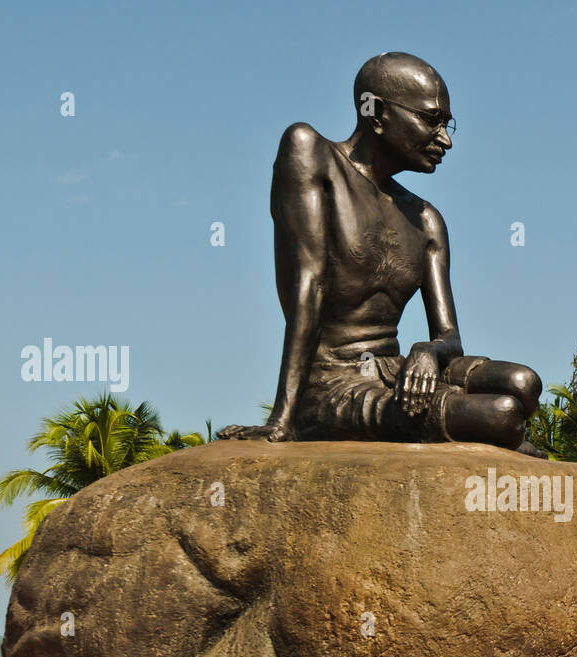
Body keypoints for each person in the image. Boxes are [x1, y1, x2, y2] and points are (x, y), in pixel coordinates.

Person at [217, 52, 543, 453]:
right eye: (431, 120)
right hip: (332, 383)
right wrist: (283, 419)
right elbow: (310, 285)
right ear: (376, 113)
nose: (446, 139)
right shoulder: (310, 153)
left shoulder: (425, 220)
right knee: (503, 415)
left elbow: (449, 336)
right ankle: (506, 439)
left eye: (447, 123)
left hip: (401, 370)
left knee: (523, 383)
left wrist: (427, 350)